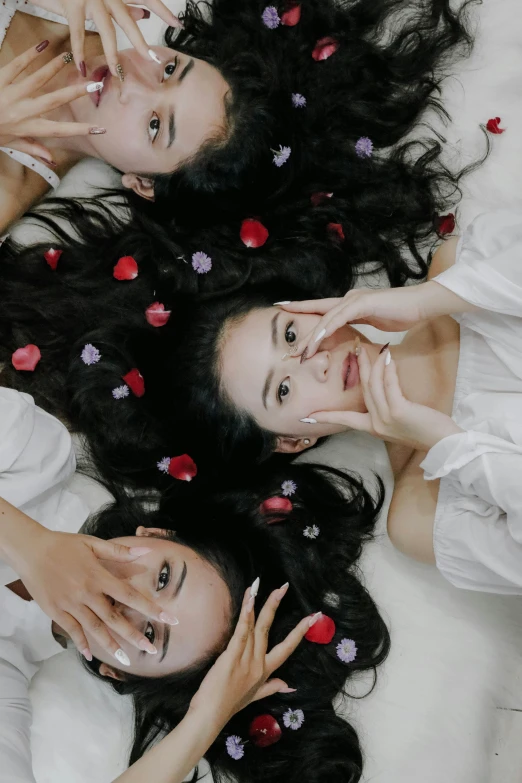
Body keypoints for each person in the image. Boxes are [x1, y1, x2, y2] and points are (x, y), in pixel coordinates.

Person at [0, 385, 390, 783]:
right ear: (154, 534)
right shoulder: (33, 459)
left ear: (114, 671)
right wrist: (31, 545)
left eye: (150, 634)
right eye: (164, 577)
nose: (131, 603)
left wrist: (207, 719)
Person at [150, 209, 522, 596]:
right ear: (293, 441)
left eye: (291, 335)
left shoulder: (459, 270)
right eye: (282, 390)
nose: (319, 362)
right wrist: (447, 444)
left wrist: (429, 300)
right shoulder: (421, 516)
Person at [0, 0, 483, 289]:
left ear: (143, 184)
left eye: (154, 126)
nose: (133, 82)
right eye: (170, 70)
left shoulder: (10, 184)